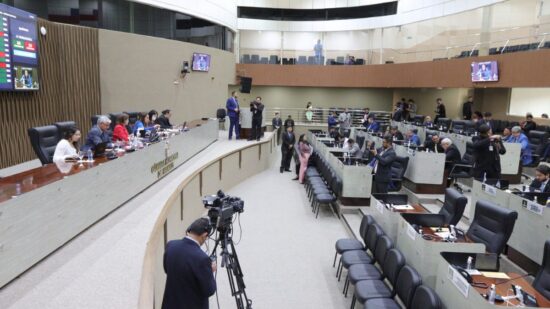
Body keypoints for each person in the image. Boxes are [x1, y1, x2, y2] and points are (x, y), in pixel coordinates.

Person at [162, 218, 216, 309]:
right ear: (204, 235)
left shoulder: (171, 245)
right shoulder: (202, 259)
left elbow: (167, 269)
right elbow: (209, 290)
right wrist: (211, 271)